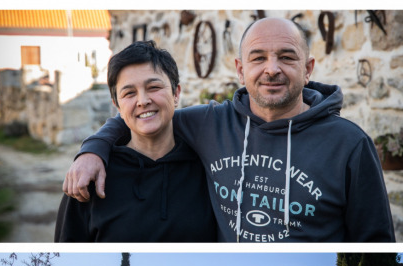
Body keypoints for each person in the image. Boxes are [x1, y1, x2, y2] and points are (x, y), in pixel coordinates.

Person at [63, 17, 395, 242]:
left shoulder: (350, 145)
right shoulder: (210, 123)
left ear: (308, 69)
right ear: (240, 69)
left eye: (286, 57)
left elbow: (377, 242)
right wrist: (93, 149)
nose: (272, 69)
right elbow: (143, 116)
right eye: (258, 58)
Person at [54, 41, 216, 242]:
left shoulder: (209, 168)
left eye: (154, 87)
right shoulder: (90, 178)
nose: (142, 100)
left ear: (176, 93)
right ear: (117, 105)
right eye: (129, 93)